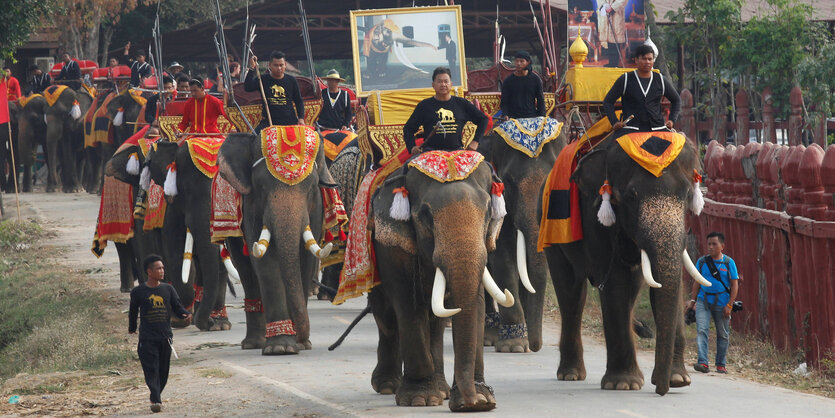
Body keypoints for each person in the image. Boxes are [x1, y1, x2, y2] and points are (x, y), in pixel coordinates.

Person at [129, 254, 192, 413]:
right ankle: (155, 399)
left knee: (163, 371)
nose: (162, 271)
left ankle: (156, 393)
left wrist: (185, 315)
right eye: (158, 268)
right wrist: (132, 328)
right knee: (151, 369)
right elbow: (132, 312)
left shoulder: (168, 289)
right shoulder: (138, 292)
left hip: (165, 337)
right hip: (148, 338)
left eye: (163, 268)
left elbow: (177, 307)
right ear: (149, 271)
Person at [685, 232, 739, 374]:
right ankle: (703, 362)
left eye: (714, 244)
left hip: (722, 303)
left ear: (722, 246)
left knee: (723, 334)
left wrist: (729, 305)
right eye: (709, 244)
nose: (710, 247)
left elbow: (734, 285)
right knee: (702, 330)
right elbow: (697, 282)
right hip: (704, 301)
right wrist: (693, 301)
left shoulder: (728, 263)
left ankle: (720, 364)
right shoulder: (702, 262)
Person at [403, 67, 488, 155]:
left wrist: (476, 141)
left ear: (451, 84)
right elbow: (408, 129)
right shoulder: (424, 105)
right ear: (433, 85)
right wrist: (412, 147)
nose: (443, 84)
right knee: (407, 167)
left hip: (457, 152)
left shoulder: (462, 103)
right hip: (430, 153)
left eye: (446, 81)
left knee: (482, 166)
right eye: (439, 81)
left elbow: (483, 119)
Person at [603, 44, 680, 134]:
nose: (647, 62)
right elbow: (608, 101)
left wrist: (672, 120)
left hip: (657, 129)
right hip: (632, 130)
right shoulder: (626, 79)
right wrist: (614, 122)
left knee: (678, 142)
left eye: (650, 59)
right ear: (636, 60)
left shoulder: (660, 79)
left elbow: (676, 100)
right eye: (644, 58)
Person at [244, 50, 305, 131]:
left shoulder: (291, 80)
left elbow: (298, 100)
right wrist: (252, 68)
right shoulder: (262, 79)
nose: (279, 68)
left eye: (281, 65)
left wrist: (301, 118)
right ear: (269, 65)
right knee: (254, 138)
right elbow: (247, 87)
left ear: (285, 65)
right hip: (269, 121)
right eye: (276, 65)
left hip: (289, 121)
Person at [500, 51, 545, 119]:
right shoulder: (508, 81)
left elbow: (540, 100)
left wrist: (542, 116)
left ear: (528, 62)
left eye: (521, 61)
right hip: (513, 117)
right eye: (517, 61)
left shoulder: (535, 79)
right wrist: (505, 114)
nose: (518, 64)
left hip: (531, 116)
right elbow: (504, 101)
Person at [597, 0, 627, 67]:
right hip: (605, 11)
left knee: (615, 37)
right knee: (609, 38)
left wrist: (613, 7)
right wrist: (604, 5)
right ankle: (611, 62)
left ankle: (615, 63)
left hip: (617, 13)